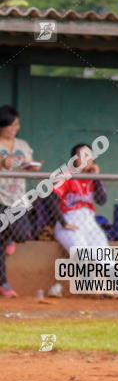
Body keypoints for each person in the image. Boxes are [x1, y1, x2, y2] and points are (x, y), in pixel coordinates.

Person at [0, 105, 38, 298]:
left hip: (18, 198)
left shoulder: (22, 145)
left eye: (17, 124)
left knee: (23, 233)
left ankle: (8, 237)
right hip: (0, 198)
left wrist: (31, 168)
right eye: (11, 125)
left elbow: (27, 163)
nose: (15, 128)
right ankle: (4, 284)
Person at [51, 143, 110, 261]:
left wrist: (96, 177)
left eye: (88, 155)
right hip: (70, 219)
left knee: (106, 259)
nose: (86, 159)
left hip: (90, 223)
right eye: (81, 156)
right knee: (83, 257)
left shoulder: (93, 178)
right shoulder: (66, 175)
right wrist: (64, 223)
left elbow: (101, 200)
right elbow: (51, 200)